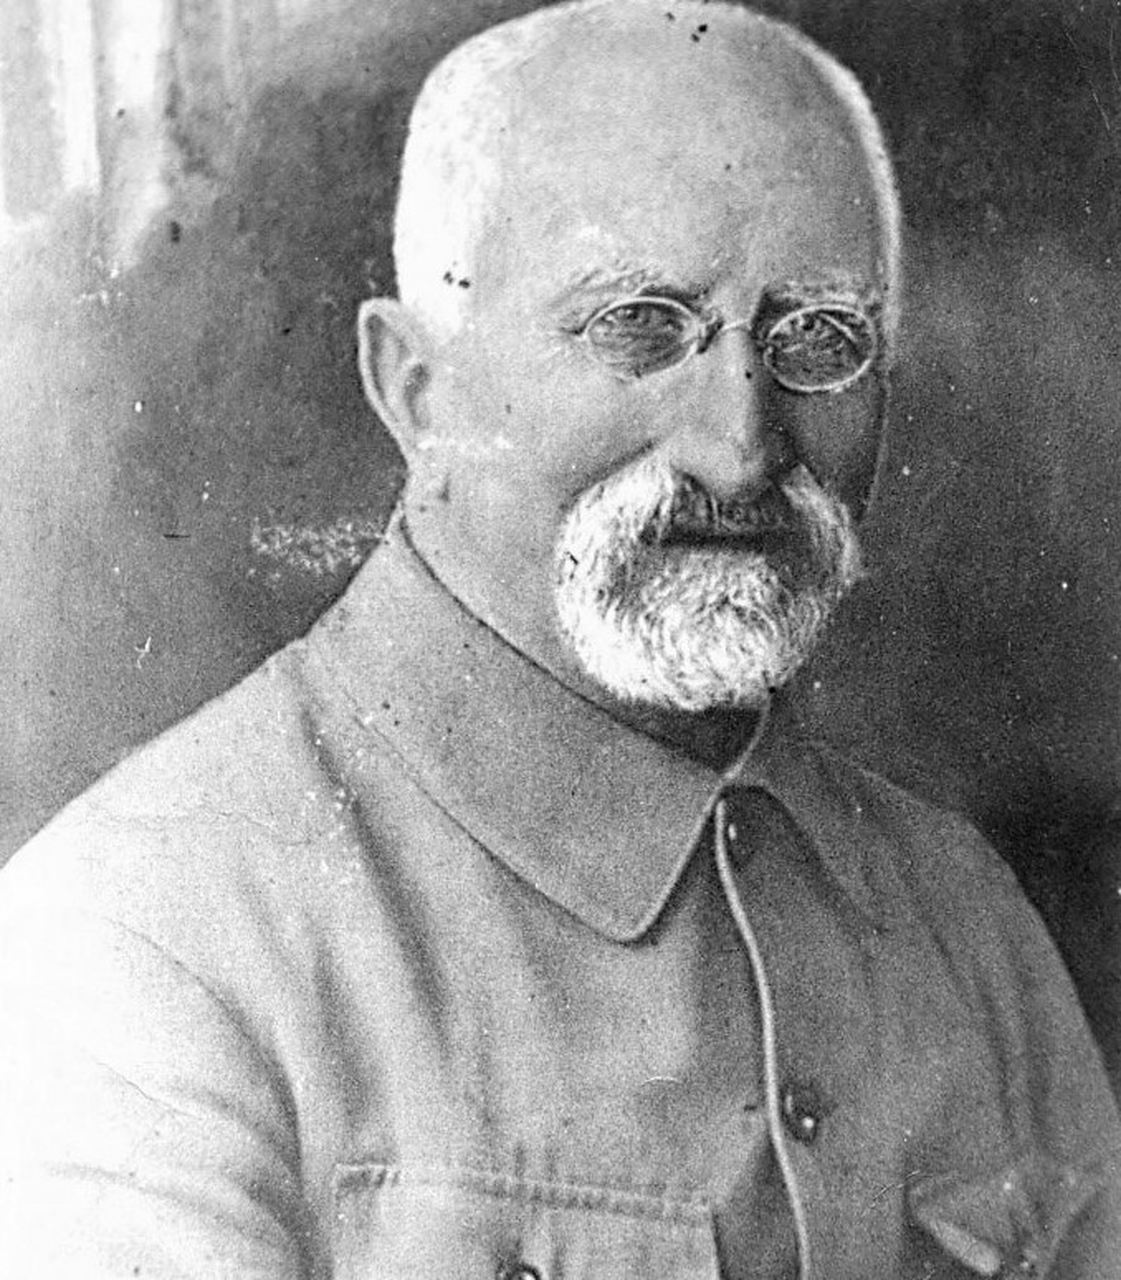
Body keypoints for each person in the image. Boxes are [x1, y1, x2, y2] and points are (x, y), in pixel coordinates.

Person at [0, 1, 1118, 1276]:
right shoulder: (136, 943)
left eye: (816, 337)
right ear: (416, 387)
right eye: (638, 324)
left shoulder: (962, 920)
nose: (738, 448)